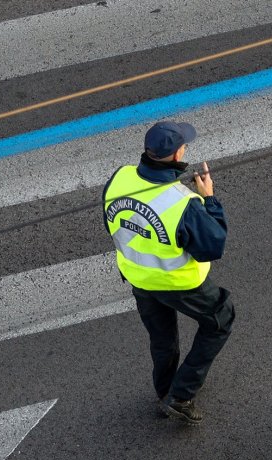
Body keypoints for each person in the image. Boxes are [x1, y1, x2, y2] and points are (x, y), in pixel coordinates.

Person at [102, 120, 234, 424]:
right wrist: (210, 200)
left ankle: (164, 392)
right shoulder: (183, 202)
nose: (185, 149)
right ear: (177, 156)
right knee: (220, 320)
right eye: (183, 146)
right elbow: (212, 246)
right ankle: (181, 394)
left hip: (138, 278)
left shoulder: (119, 178)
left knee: (162, 340)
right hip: (180, 283)